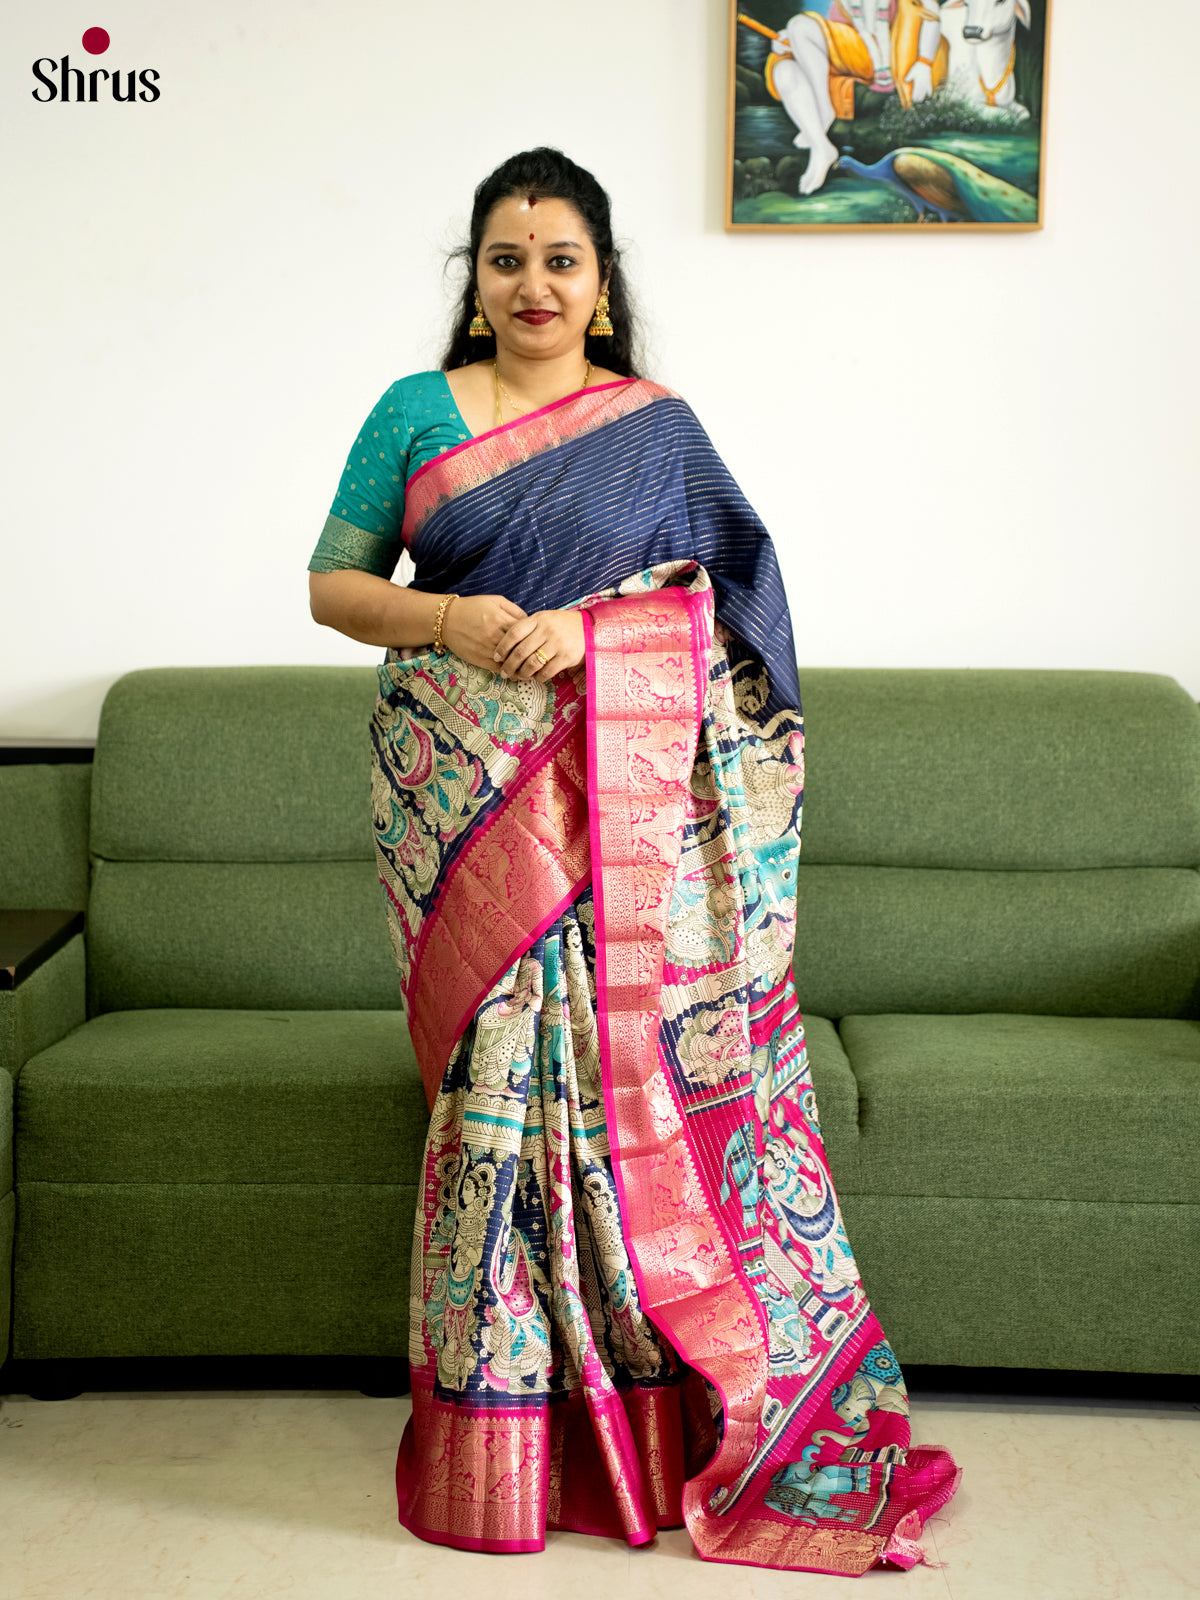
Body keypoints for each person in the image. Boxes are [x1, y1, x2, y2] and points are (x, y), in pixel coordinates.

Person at [307, 146, 958, 1574]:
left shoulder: (656, 429)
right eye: (507, 259)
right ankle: (500, 1438)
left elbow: (735, 612)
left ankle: (648, 1426)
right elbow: (333, 586)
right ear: (474, 281)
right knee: (493, 1096)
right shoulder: (414, 411)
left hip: (623, 811)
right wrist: (453, 619)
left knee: (614, 1097)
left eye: (562, 260)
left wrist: (597, 635)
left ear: (601, 284)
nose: (532, 285)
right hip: (460, 798)